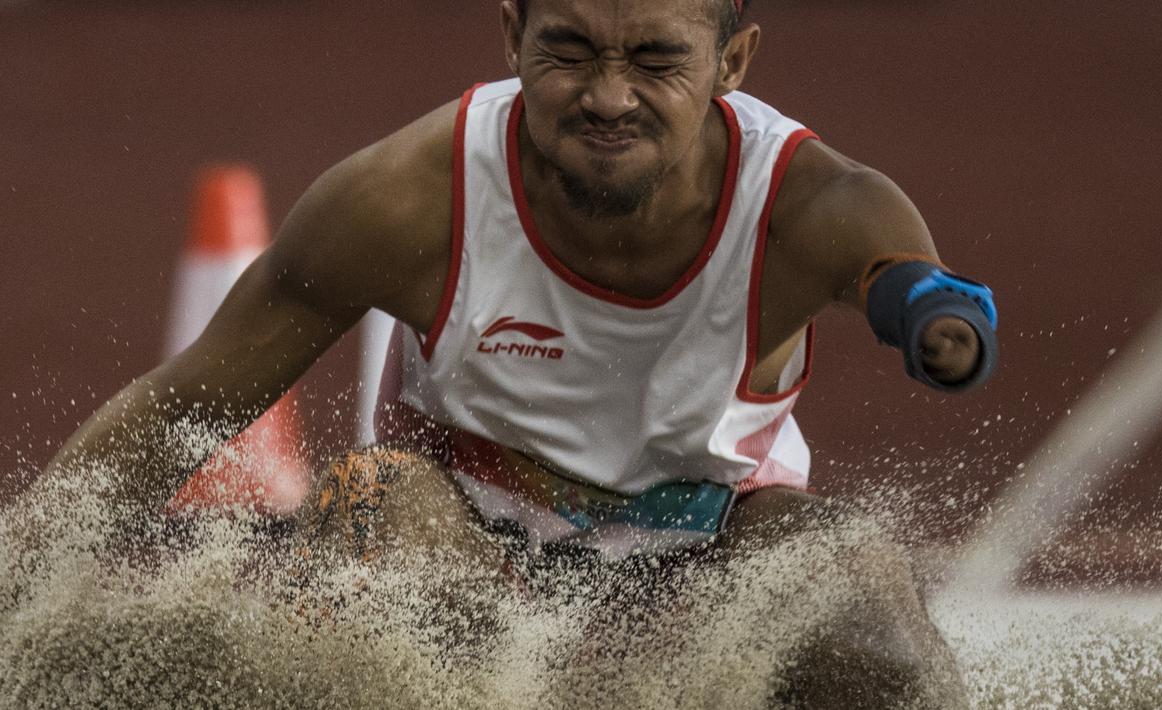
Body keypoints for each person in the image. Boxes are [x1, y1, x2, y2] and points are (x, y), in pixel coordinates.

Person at [47, 0, 997, 706]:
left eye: (656, 59)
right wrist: (26, 586)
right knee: (379, 516)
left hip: (705, 569)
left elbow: (904, 279)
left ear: (732, 60)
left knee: (862, 600)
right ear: (511, 37)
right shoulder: (405, 197)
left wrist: (933, 321)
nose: (607, 97)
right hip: (455, 550)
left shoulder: (811, 204)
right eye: (568, 50)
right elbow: (187, 403)